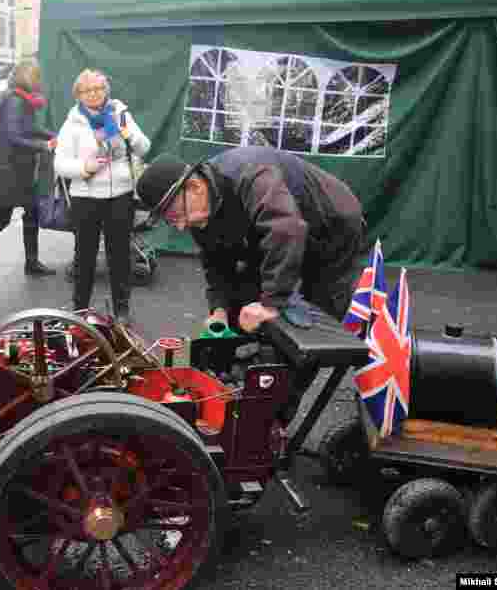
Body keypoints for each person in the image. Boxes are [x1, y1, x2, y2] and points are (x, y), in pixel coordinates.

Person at [136, 148, 367, 422]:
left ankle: (277, 416)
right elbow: (216, 261)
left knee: (305, 329)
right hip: (272, 232)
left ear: (195, 186)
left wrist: (272, 303)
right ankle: (238, 392)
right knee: (242, 308)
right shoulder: (201, 207)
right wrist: (219, 309)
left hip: (331, 228)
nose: (180, 227)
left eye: (176, 215)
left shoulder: (252, 175)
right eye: (171, 221)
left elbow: (286, 228)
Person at [55, 69, 151, 323]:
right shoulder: (73, 123)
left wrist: (127, 132)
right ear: (78, 94)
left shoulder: (120, 114)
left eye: (98, 88)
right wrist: (84, 168)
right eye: (87, 90)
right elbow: (60, 164)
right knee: (84, 257)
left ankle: (121, 310)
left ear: (106, 90)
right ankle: (80, 310)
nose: (93, 94)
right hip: (85, 198)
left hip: (120, 195)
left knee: (119, 256)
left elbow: (144, 147)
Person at [0, 60, 57, 276]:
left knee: (31, 213)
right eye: (36, 77)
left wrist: (53, 135)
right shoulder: (16, 101)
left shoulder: (21, 100)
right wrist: (44, 145)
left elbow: (31, 127)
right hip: (11, 171)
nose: (39, 81)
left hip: (17, 169)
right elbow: (14, 137)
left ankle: (32, 262)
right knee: (3, 219)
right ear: (27, 77)